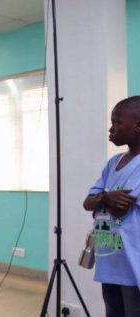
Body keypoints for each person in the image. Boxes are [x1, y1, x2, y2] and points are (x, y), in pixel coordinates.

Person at [83, 96, 140, 317]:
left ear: (137, 126)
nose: (111, 129)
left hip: (133, 264)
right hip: (110, 262)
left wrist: (101, 199)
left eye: (117, 123)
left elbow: (120, 207)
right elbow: (88, 202)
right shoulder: (114, 162)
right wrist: (106, 198)